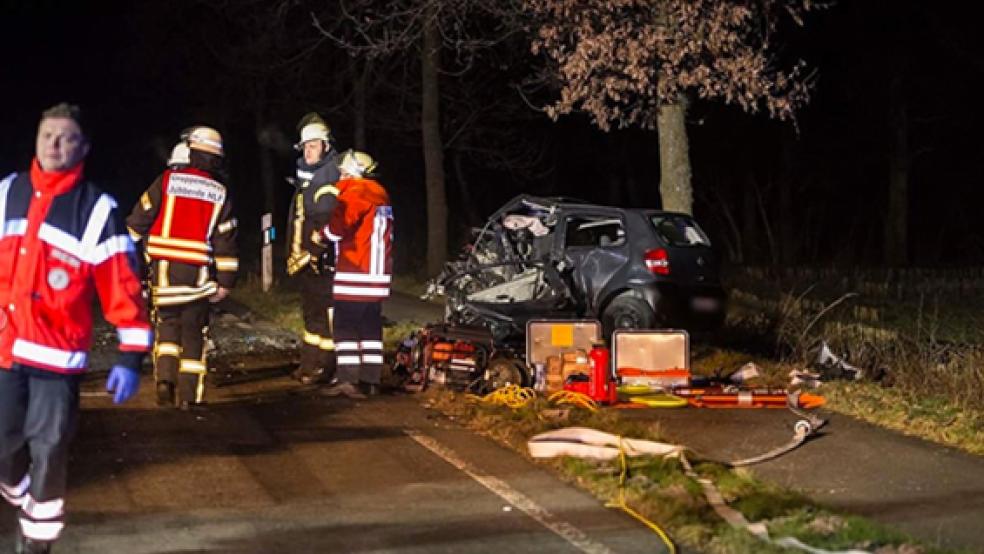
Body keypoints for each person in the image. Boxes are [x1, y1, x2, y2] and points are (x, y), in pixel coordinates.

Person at [0, 103, 153, 553]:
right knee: (5, 452)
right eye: (47, 135)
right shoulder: (7, 193)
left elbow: (122, 286)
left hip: (55, 362)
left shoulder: (96, 209)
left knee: (49, 453)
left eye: (65, 137)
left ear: (82, 147)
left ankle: (36, 545)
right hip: (4, 354)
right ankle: (25, 499)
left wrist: (130, 357)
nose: (53, 145)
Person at [126, 126, 238, 410]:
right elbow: (225, 240)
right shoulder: (220, 193)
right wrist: (225, 281)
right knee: (193, 334)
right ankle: (190, 397)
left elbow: (138, 221)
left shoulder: (166, 181)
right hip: (198, 277)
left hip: (165, 273)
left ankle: (165, 380)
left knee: (167, 328)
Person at [319, 150, 393, 399]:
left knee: (344, 326)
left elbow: (339, 228)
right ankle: (371, 380)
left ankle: (348, 379)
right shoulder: (380, 193)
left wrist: (321, 236)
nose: (340, 174)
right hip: (377, 274)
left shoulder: (357, 192)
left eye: (344, 170)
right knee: (371, 328)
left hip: (356, 272)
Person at [285, 113, 341, 385]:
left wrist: (315, 254)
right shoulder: (309, 177)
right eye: (305, 146)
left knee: (323, 316)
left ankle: (324, 367)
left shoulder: (327, 178)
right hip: (308, 260)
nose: (308, 151)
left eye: (314, 145)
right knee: (312, 315)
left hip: (322, 261)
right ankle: (309, 364)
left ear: (326, 147)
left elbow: (325, 223)